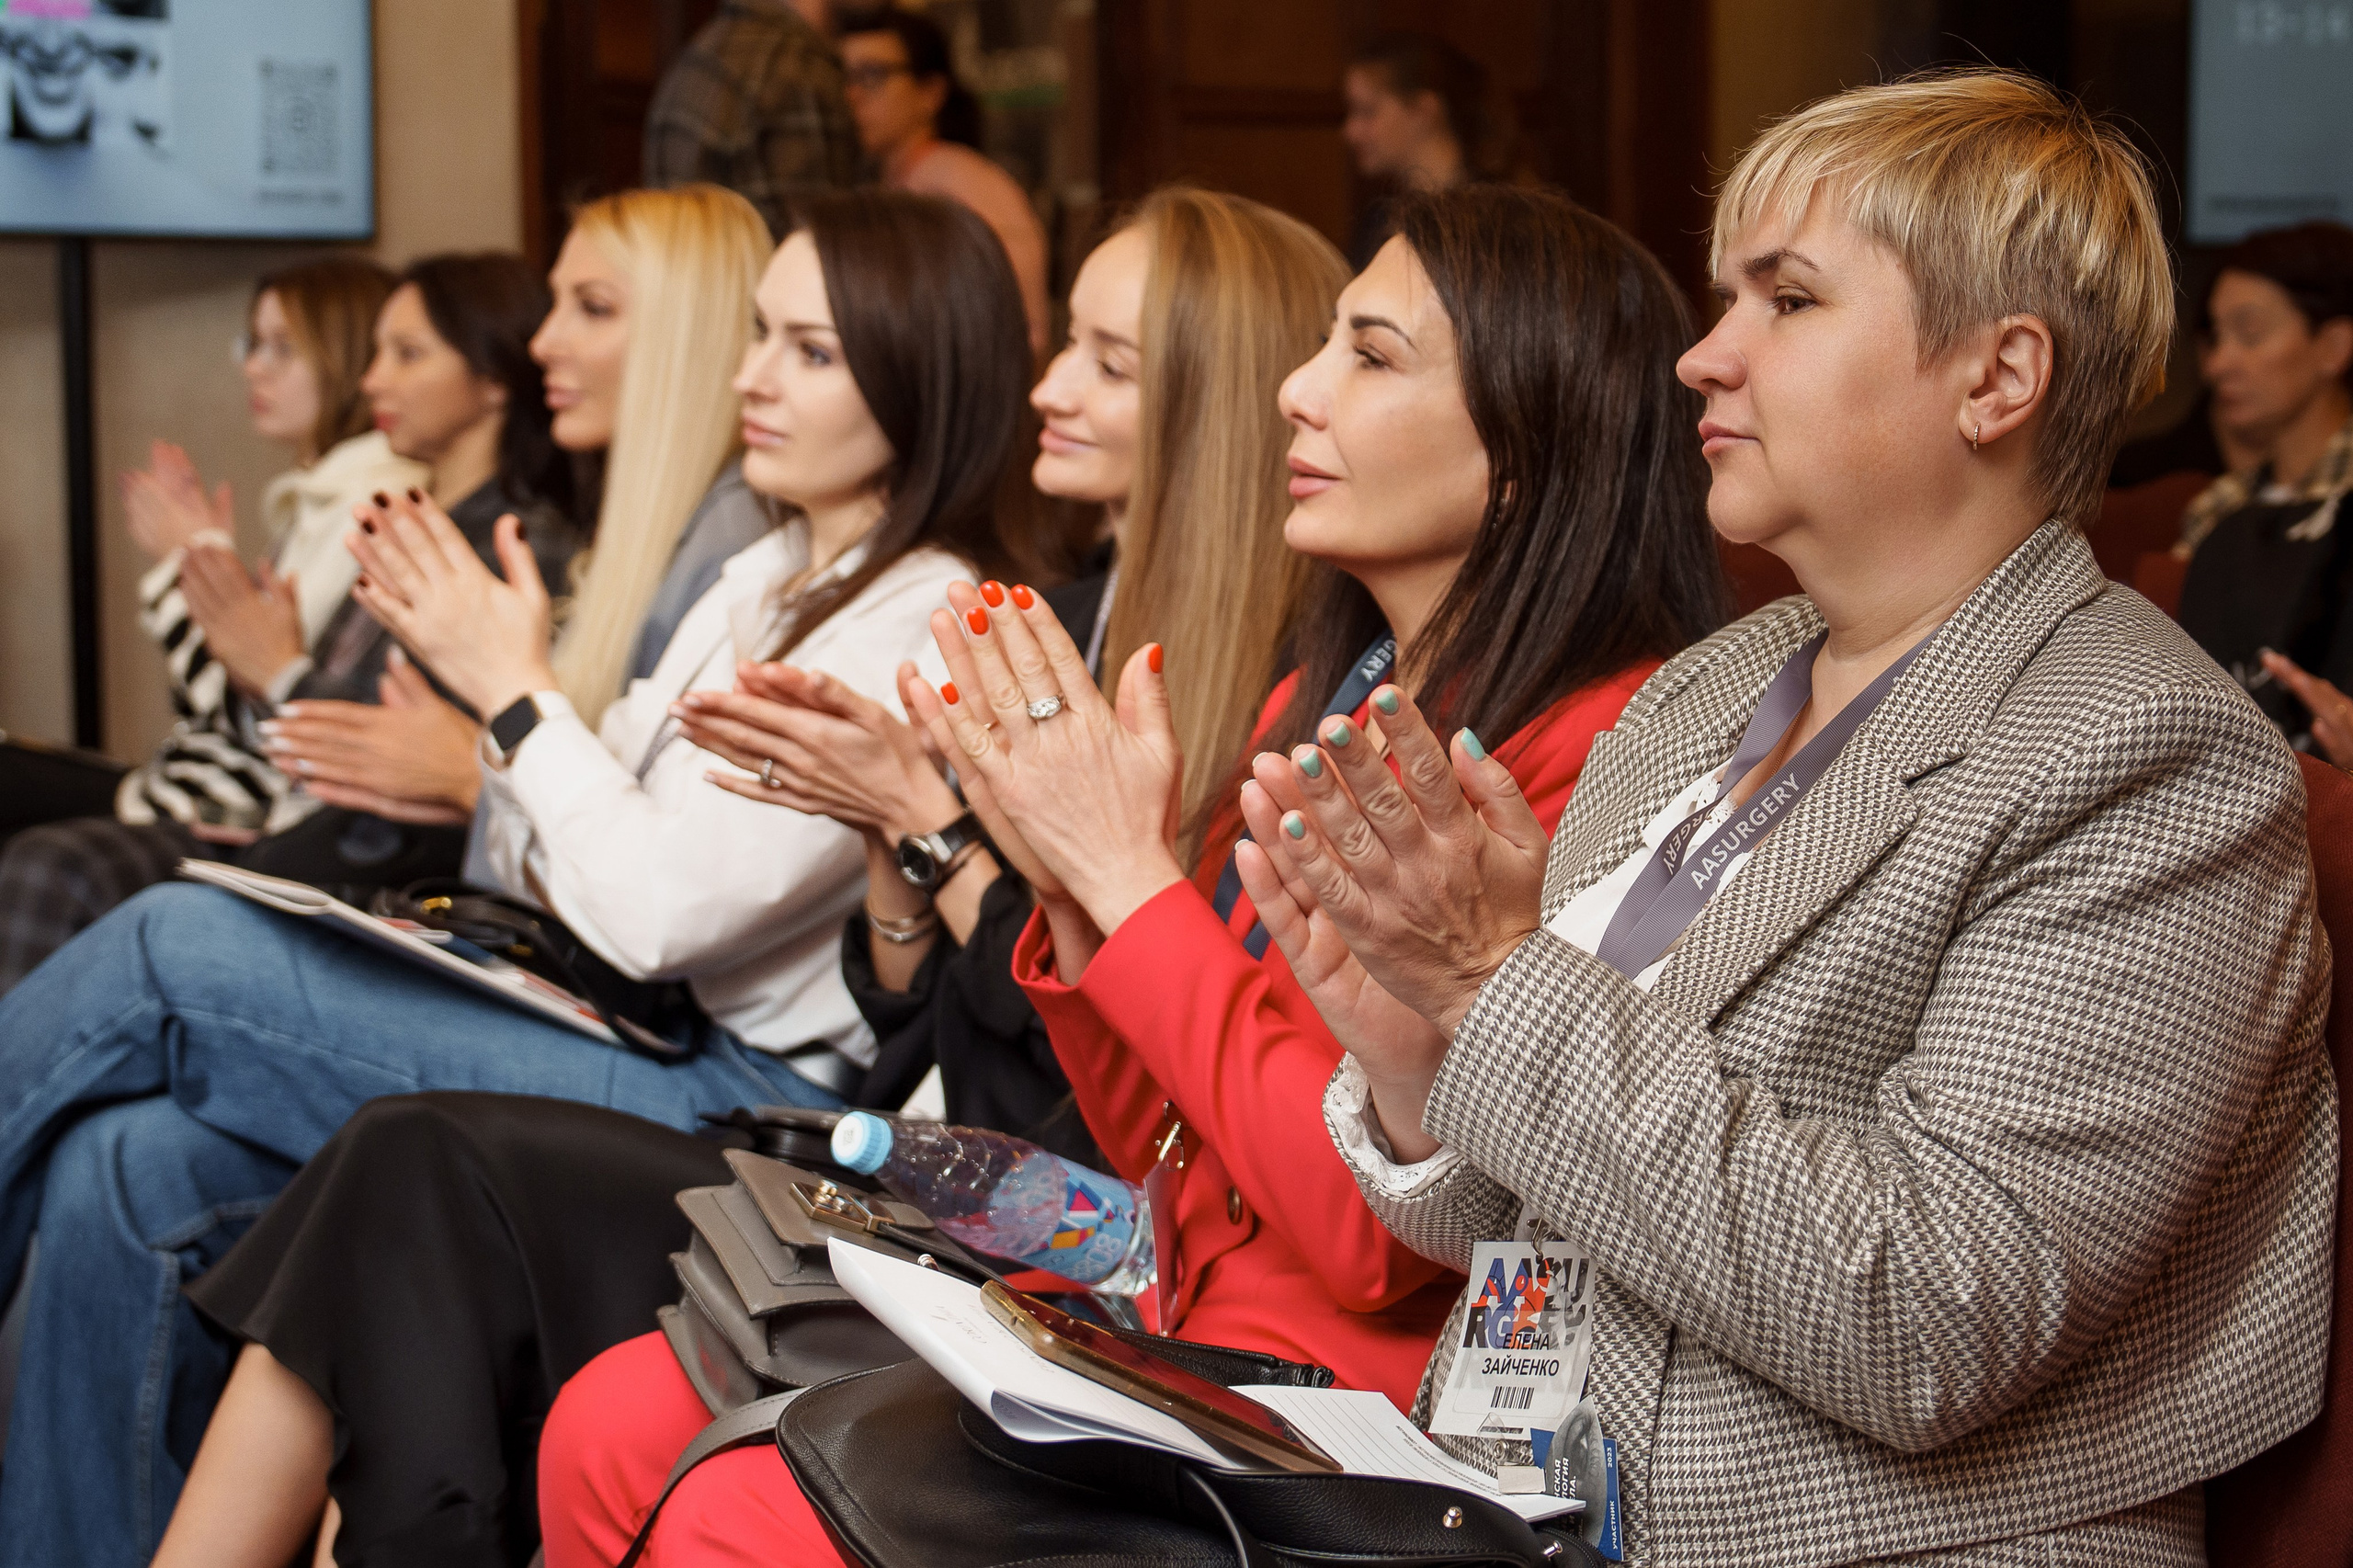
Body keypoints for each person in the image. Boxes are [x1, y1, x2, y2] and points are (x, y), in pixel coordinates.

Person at [143, 183, 1345, 1568]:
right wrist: (905, 854)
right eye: (1060, 340)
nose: (1050, 384)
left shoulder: (1174, 663)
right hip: (900, 1132)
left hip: (962, 1178)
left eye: (1104, 360)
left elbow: (1065, 1096)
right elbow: (934, 1017)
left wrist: (915, 825)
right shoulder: (1006, 608)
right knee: (153, 1152)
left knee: (208, 969)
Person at [540, 182, 1729, 1568]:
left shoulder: (1596, 752)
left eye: (1371, 354)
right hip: (1165, 1302)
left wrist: (1129, 882)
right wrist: (1067, 882)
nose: (1300, 389)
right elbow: (1154, 1141)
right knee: (612, 1419)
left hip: (1344, 1398)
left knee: (737, 1509)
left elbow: (1367, 1232)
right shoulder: (1332, 683)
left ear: (1526, 452)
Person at [1239, 72, 2336, 1565]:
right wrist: (1427, 1048)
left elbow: (1927, 1318)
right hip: (1520, 1491)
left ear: (1998, 379)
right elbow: (1524, 1206)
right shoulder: (1714, 687)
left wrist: (1505, 988)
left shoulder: (2144, 757)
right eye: (1722, 300)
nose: (1704, 357)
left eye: (1790, 300)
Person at [0, 189, 1026, 1568]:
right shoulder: (779, 569)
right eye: (759, 337)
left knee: (172, 940)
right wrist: (528, 733)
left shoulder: (926, 617)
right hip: (628, 1019)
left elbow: (652, 909)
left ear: (922, 374)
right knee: (121, 1165)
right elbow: (559, 851)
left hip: (747, 1098)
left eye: (810, 351)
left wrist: (512, 694)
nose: (750, 377)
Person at [0, 254, 577, 994]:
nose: (374, 383)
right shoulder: (419, 515)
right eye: (375, 356)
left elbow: (382, 754)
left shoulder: (502, 537)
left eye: (406, 355)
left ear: (494, 378)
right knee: (50, 856)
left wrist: (269, 662)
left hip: (368, 852)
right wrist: (253, 653)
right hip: (301, 817)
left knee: (53, 867)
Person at [261, 186, 778, 828]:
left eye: (592, 308)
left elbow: (672, 873)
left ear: (684, 332)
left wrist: (473, 765)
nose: (543, 343)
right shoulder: (650, 531)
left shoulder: (730, 547)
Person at [2173, 220, 2353, 759]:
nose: (2218, 364)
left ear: (2333, 346)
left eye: (2249, 335)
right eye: (2215, 338)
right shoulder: (2217, 512)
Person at [837, 5, 1050, 355]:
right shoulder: (903, 178)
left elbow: (1019, 332)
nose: (852, 94)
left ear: (930, 92)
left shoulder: (952, 180)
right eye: (844, 77)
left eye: (872, 75)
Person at [642, 0, 859, 239]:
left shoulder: (703, 50)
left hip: (687, 265)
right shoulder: (796, 63)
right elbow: (816, 246)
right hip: (751, 269)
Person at [1340, 31, 1501, 269]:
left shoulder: (1492, 218)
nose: (1349, 131)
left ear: (1423, 111)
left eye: (1367, 111)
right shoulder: (1378, 220)